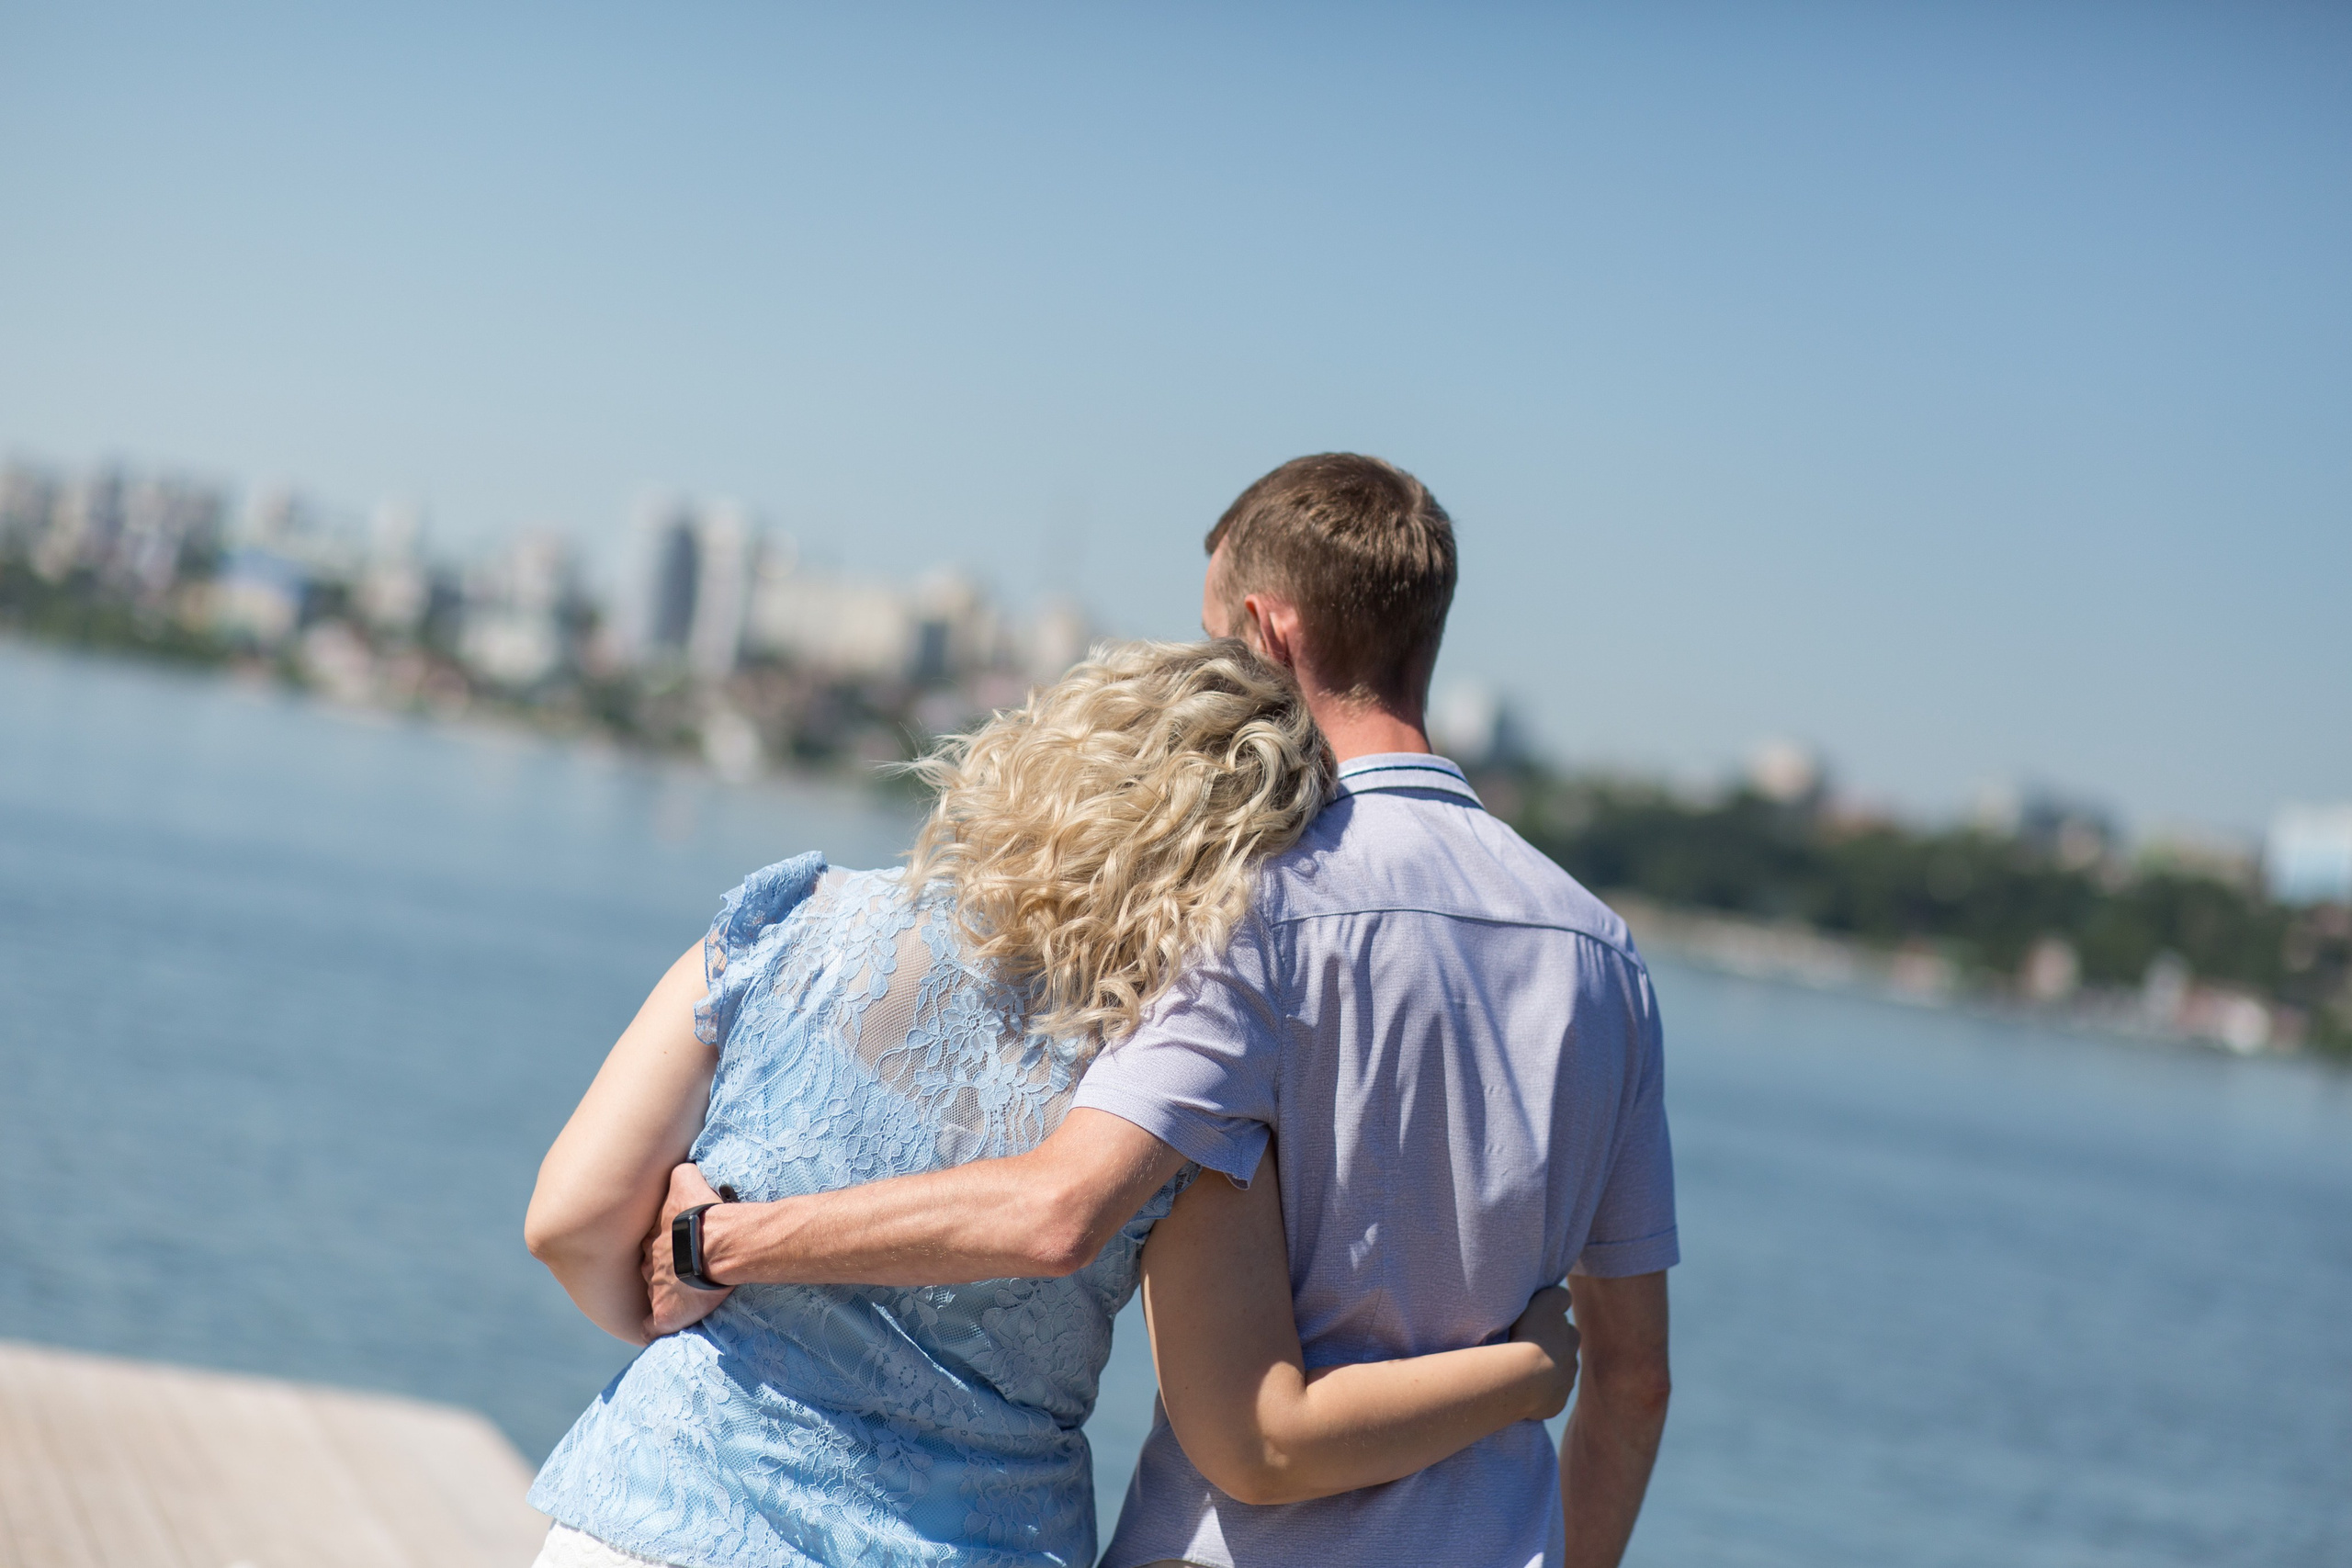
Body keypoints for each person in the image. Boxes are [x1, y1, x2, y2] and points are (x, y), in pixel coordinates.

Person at [646, 455, 1679, 1568]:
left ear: (1267, 630)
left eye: (1209, 636)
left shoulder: (1250, 901)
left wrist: (724, 1239)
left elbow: (1058, 1211)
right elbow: (1631, 1380)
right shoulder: (1603, 957)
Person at [522, 639, 1584, 1568]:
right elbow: (1254, 1437)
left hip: (649, 1514)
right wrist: (1530, 1371)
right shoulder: (1176, 1093)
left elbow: (566, 1222)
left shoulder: (792, 919)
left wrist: (675, 1295)